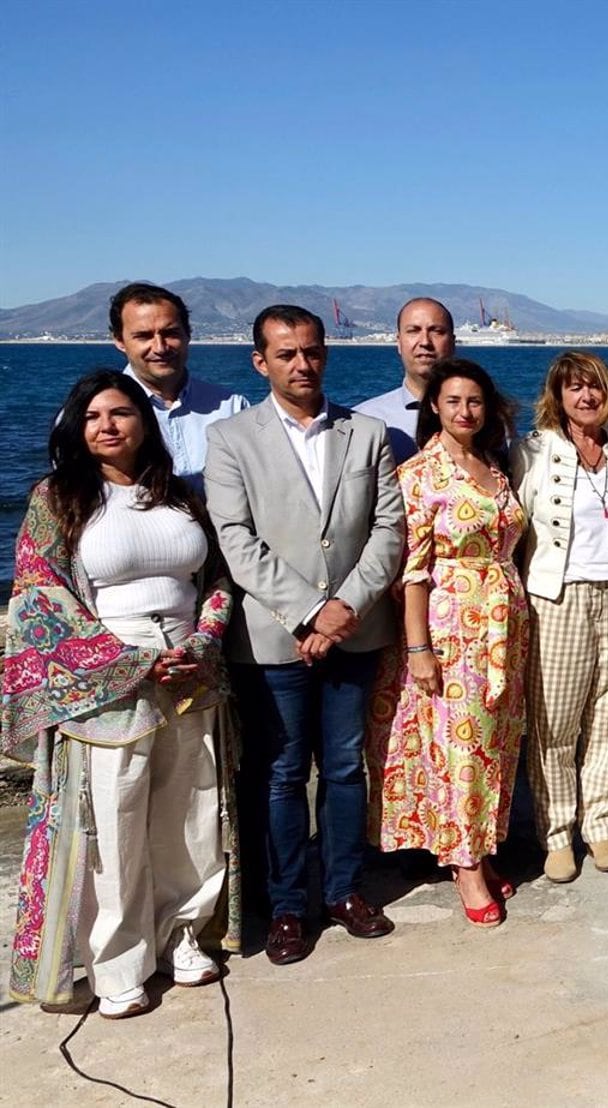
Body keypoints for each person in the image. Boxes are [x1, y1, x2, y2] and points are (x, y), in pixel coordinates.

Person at [4, 373, 238, 1017]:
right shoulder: (58, 499)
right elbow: (39, 599)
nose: (108, 425)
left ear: (145, 422)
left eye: (122, 413)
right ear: (76, 429)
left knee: (192, 812)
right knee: (113, 821)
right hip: (108, 674)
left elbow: (215, 580)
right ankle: (116, 963)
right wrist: (130, 660)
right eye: (93, 416)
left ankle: (184, 935)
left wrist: (202, 644)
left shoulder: (181, 498)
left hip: (190, 668)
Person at [203, 305, 405, 966]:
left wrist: (345, 606)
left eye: (312, 351)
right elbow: (235, 539)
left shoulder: (366, 432)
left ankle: (344, 889)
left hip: (355, 631)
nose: (302, 364)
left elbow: (388, 531)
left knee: (346, 768)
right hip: (272, 638)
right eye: (286, 354)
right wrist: (308, 612)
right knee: (282, 771)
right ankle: (287, 903)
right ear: (260, 362)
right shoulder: (232, 439)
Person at [366, 360, 528, 927]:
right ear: (434, 405)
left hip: (505, 625)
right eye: (454, 400)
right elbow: (411, 572)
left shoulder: (492, 464)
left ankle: (481, 844)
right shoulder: (420, 474)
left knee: (494, 743)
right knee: (458, 746)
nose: (465, 410)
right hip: (451, 625)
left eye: (475, 401)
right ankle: (464, 866)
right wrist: (418, 651)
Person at [511, 352, 608, 884]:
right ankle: (556, 834)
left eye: (594, 387)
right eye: (574, 388)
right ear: (557, 395)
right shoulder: (531, 452)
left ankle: (601, 825)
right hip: (557, 599)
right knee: (555, 724)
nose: (585, 397)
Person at [108, 282, 248, 492]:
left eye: (170, 333)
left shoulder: (232, 409)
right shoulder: (91, 418)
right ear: (120, 341)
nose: (160, 347)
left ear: (188, 334)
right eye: (144, 336)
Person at [354, 297, 457, 463]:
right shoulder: (364, 420)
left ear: (452, 343)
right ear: (399, 343)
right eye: (413, 331)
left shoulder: (487, 419)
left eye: (436, 331)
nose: (425, 342)